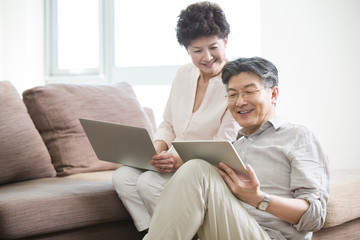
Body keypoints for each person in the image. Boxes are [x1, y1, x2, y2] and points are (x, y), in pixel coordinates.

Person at [143, 57, 330, 240]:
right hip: (223, 229)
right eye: (232, 95)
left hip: (270, 235)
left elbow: (315, 218)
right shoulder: (233, 146)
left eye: (249, 92)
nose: (239, 102)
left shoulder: (298, 136)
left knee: (196, 168)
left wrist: (259, 199)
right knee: (170, 174)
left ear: (273, 94)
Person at [112, 1, 240, 233]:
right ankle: (155, 233)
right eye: (197, 50)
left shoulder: (236, 83)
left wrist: (180, 161)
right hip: (174, 161)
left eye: (213, 47)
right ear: (187, 50)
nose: (207, 57)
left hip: (205, 168)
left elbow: (224, 143)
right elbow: (168, 123)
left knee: (148, 182)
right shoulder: (183, 74)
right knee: (123, 177)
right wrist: (155, 149)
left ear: (226, 41)